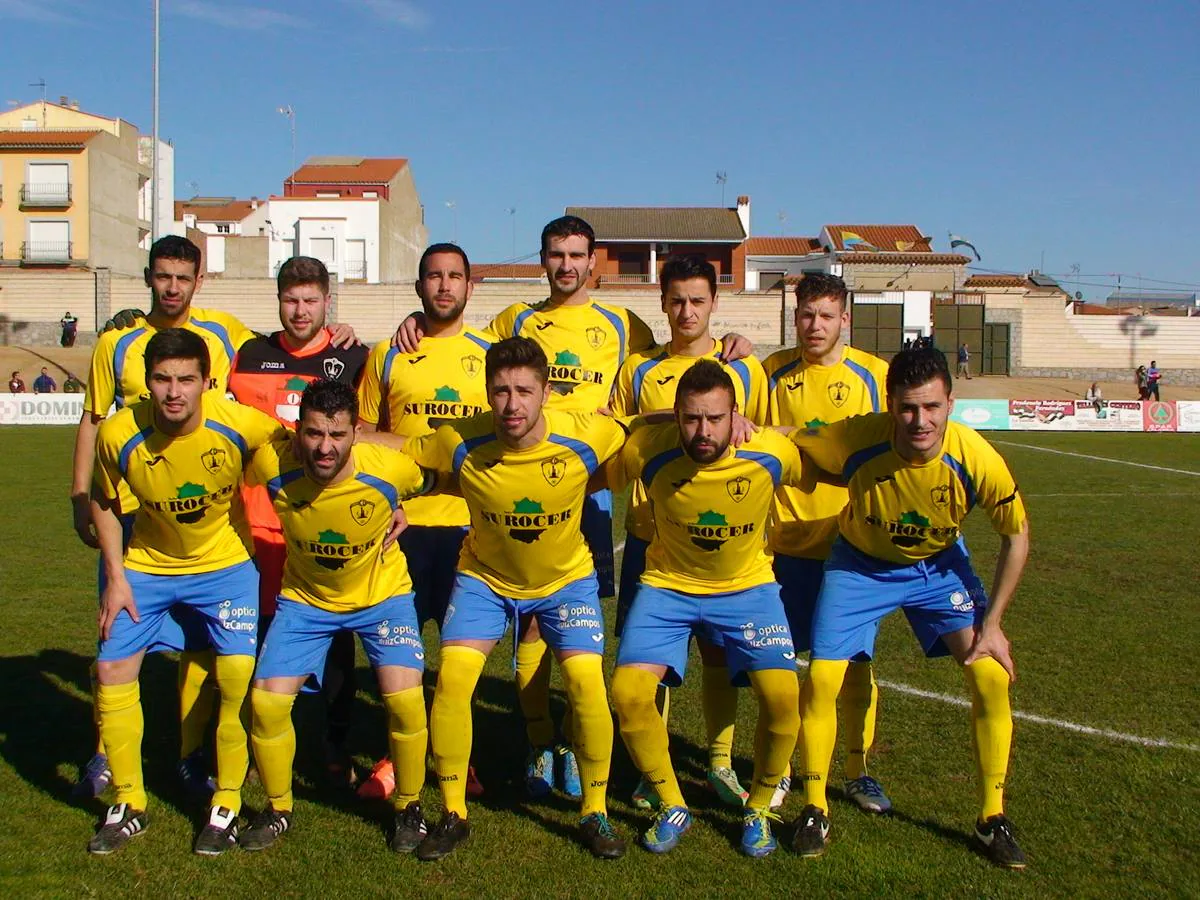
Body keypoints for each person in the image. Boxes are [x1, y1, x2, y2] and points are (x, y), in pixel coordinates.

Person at [787, 346, 1030, 869]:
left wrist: (993, 624)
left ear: (950, 402)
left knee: (989, 675)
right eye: (908, 409)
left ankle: (992, 817)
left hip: (937, 569)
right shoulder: (854, 438)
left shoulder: (976, 457)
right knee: (824, 679)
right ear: (890, 404)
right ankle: (814, 804)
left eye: (932, 408)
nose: (920, 422)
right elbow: (791, 440)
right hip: (859, 568)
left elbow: (1017, 536)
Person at [400, 336, 628, 861]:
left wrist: (743, 426)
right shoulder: (460, 440)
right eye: (500, 391)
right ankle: (454, 813)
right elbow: (399, 448)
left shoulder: (587, 435)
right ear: (486, 392)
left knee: (587, 686)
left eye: (524, 391)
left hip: (564, 581)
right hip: (484, 578)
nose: (512, 405)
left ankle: (595, 811)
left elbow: (639, 429)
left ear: (545, 392)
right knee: (453, 682)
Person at [87, 329, 289, 856]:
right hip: (147, 568)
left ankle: (224, 801)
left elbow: (309, 454)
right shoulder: (118, 434)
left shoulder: (240, 424)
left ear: (207, 383)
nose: (173, 391)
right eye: (162, 379)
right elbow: (105, 502)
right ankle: (128, 802)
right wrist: (115, 575)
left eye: (185, 380)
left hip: (226, 568)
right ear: (145, 384)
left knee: (235, 677)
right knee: (111, 669)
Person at [609, 361, 803, 857]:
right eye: (691, 418)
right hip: (668, 586)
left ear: (735, 415)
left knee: (783, 697)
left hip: (748, 589)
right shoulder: (646, 451)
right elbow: (613, 431)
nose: (703, 431)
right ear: (675, 415)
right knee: (629, 693)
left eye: (715, 419)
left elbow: (815, 456)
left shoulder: (771, 454)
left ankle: (759, 806)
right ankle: (671, 802)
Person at [240, 380, 437, 854]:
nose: (324, 448)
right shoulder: (272, 465)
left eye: (338, 435)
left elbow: (435, 478)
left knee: (406, 700)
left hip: (382, 597)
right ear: (296, 431)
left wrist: (403, 507)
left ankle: (409, 806)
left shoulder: (389, 470)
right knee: (266, 704)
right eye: (312, 434)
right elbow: (225, 475)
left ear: (355, 434)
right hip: (307, 600)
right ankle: (278, 808)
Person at [610, 255, 768, 810]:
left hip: (726, 546)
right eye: (676, 300)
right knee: (649, 657)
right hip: (650, 536)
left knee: (719, 656)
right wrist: (661, 420)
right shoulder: (638, 370)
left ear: (715, 304)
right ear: (662, 301)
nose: (686, 311)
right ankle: (648, 766)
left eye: (698, 301)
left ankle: (721, 762)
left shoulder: (746, 368)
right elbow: (616, 431)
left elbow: (760, 442)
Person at [227, 255, 369, 789]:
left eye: (311, 300)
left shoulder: (352, 357)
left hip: (327, 525)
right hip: (257, 527)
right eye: (291, 300)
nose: (301, 310)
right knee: (255, 643)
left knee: (334, 642)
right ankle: (249, 744)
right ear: (278, 300)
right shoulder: (249, 355)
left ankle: (334, 747)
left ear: (327, 301)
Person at [355, 242, 490, 800]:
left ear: (469, 286)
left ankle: (460, 759)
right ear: (418, 288)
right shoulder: (387, 353)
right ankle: (396, 756)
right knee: (402, 652)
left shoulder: (490, 354)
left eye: (454, 276)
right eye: (433, 276)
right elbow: (359, 437)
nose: (443, 285)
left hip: (469, 527)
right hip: (402, 526)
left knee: (458, 658)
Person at [762, 272, 892, 815]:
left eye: (825, 315)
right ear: (795, 317)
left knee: (855, 666)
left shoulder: (875, 374)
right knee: (784, 667)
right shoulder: (769, 371)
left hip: (851, 548)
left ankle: (858, 770)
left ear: (846, 320)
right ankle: (784, 767)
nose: (815, 326)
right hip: (785, 543)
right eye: (806, 315)